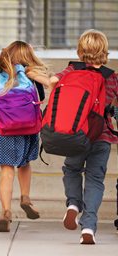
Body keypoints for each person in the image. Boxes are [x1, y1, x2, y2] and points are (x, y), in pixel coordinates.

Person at [50, 29, 118, 244]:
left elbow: (52, 81)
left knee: (71, 169)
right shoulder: (112, 77)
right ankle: (88, 228)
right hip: (102, 136)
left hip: (76, 134)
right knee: (95, 180)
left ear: (80, 50)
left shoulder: (71, 70)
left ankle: (73, 204)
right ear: (104, 51)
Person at [0, 41, 50, 232]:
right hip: (28, 125)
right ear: (28, 57)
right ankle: (25, 197)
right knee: (24, 164)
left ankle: (5, 211)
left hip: (2, 127)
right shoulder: (30, 73)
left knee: (6, 171)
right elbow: (49, 85)